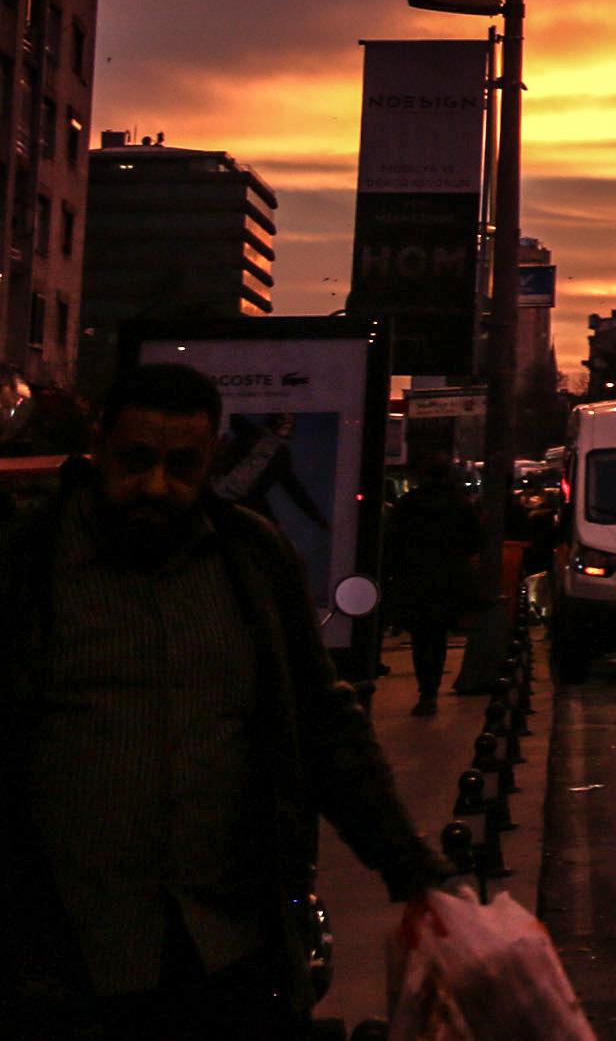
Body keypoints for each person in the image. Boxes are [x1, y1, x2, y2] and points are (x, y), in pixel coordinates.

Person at [1, 362, 449, 1039]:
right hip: (66, 963)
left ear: (211, 458)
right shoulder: (29, 565)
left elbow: (323, 723)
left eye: (182, 465)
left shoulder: (252, 562)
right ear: (99, 446)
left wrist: (411, 868)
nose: (156, 484)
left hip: (230, 955)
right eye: (136, 459)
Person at [378, 467, 485, 714]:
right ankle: (431, 689)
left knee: (421, 637)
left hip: (415, 578)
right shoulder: (459, 505)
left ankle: (425, 689)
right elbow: (474, 541)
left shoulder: (409, 504)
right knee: (437, 637)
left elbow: (392, 542)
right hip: (448, 578)